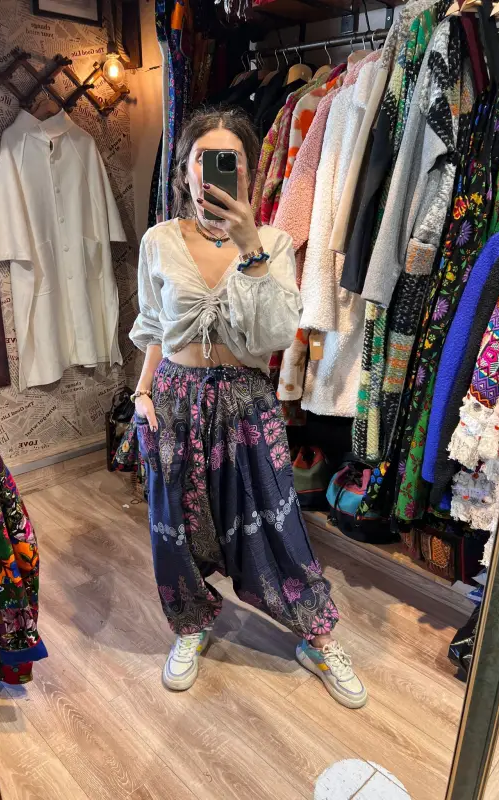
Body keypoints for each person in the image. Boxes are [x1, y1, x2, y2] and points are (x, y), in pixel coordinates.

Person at [129, 108, 367, 708]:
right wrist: (142, 392)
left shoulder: (275, 243)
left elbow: (273, 336)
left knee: (275, 521)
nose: (213, 172)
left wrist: (250, 248)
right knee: (175, 526)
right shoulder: (158, 241)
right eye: (202, 160)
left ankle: (318, 637)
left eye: (228, 161)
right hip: (174, 399)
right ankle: (191, 625)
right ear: (185, 171)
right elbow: (154, 328)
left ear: (247, 170)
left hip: (246, 403)